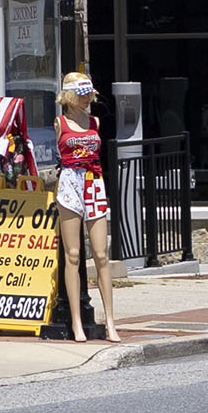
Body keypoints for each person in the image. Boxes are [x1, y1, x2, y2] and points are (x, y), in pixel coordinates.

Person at [51, 71, 117, 342]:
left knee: (101, 255)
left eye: (88, 93)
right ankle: (76, 321)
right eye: (81, 94)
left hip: (93, 180)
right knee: (73, 255)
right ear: (69, 96)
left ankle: (111, 320)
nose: (87, 98)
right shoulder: (60, 122)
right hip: (70, 181)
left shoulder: (95, 121)